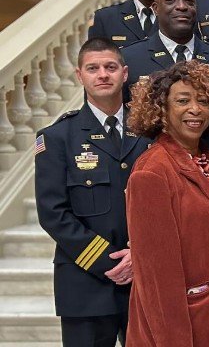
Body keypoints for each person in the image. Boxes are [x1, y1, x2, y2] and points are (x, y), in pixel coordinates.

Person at [124, 60, 209, 346]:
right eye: (183, 101)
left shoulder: (207, 157)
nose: (195, 109)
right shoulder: (152, 171)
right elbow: (156, 280)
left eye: (203, 101)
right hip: (186, 328)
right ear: (162, 110)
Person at [34, 38, 152, 347]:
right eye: (93, 68)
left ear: (124, 73)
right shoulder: (57, 137)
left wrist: (141, 255)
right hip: (84, 281)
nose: (103, 74)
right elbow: (53, 214)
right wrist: (110, 262)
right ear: (79, 75)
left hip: (145, 278)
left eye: (110, 67)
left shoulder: (151, 131)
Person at [121, 0, 209, 102]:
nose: (181, 6)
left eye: (189, 1)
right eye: (171, 0)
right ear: (156, 9)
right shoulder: (129, 59)